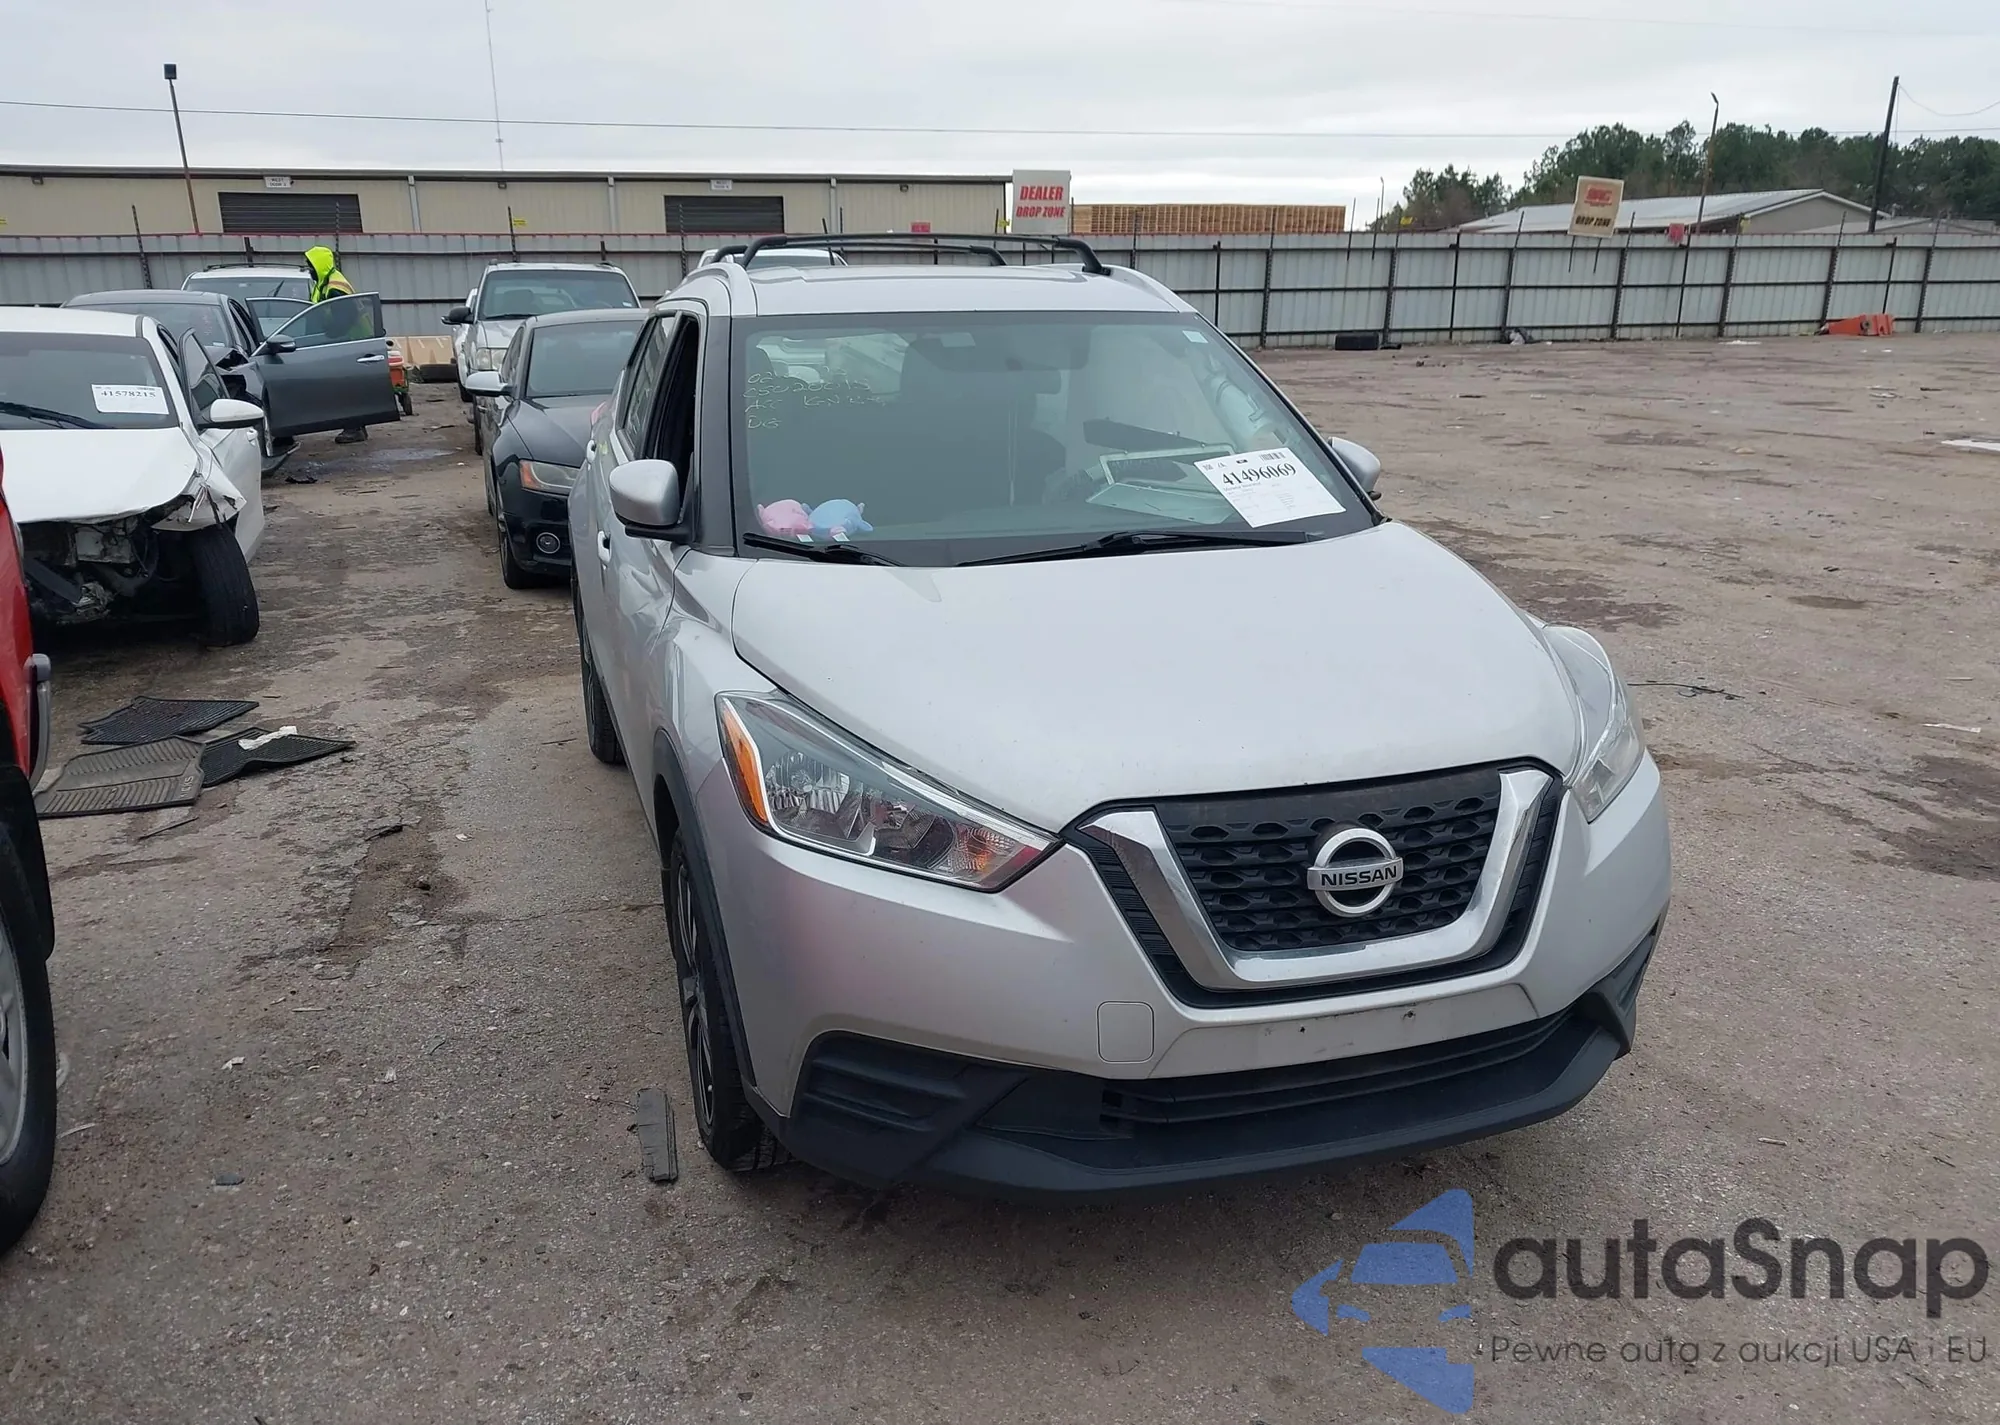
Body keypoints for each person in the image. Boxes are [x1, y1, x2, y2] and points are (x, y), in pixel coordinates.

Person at [304, 245, 368, 444]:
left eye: (310, 266)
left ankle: (354, 428)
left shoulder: (335, 288)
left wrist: (327, 336)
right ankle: (356, 427)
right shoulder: (324, 284)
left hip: (349, 341)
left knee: (346, 386)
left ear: (319, 265)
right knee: (346, 385)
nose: (309, 270)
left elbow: (343, 320)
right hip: (344, 341)